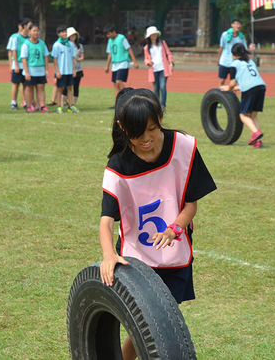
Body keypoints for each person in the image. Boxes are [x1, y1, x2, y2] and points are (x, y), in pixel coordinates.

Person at [99, 87, 216, 360]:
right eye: (137, 134)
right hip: (134, 256)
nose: (147, 139)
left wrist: (175, 228)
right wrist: (108, 255)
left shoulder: (183, 147)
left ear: (160, 117)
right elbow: (106, 221)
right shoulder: (118, 166)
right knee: (143, 320)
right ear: (122, 127)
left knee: (160, 317)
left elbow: (190, 204)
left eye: (152, 129)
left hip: (173, 250)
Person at [219, 43, 266, 148]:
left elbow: (232, 83)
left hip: (250, 89)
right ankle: (257, 141)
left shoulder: (234, 64)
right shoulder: (251, 61)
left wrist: (228, 88)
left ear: (233, 54)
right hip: (261, 87)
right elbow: (251, 78)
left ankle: (255, 133)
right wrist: (238, 87)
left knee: (243, 115)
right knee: (253, 116)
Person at [105, 24, 139, 106]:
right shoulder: (110, 41)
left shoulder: (121, 38)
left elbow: (129, 49)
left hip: (123, 63)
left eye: (109, 33)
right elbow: (110, 54)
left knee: (119, 81)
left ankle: (130, 97)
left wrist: (135, 62)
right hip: (115, 64)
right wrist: (107, 65)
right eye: (107, 34)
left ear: (114, 32)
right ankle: (117, 103)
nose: (108, 36)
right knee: (115, 85)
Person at [21, 24, 50, 113]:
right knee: (29, 88)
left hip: (40, 70)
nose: (36, 33)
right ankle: (29, 106)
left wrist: (46, 69)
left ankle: (41, 106)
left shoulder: (42, 43)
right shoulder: (26, 44)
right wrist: (27, 72)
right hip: (31, 70)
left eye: (37, 31)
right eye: (34, 31)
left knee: (41, 88)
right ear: (29, 32)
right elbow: (24, 59)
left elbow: (45, 56)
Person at [143, 26, 174, 111]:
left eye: (155, 34)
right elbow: (146, 59)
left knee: (163, 86)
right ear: (149, 36)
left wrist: (171, 63)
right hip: (153, 69)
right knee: (156, 89)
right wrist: (148, 62)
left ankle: (163, 105)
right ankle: (156, 105)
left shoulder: (162, 43)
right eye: (152, 34)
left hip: (163, 68)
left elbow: (168, 54)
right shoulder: (146, 47)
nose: (154, 35)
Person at [51, 25, 77, 113]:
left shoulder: (71, 44)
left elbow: (73, 58)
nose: (65, 33)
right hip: (61, 71)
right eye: (62, 32)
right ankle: (58, 106)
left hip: (69, 71)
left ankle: (71, 105)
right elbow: (54, 59)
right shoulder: (56, 45)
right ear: (58, 34)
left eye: (65, 31)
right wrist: (57, 71)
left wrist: (74, 70)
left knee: (70, 88)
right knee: (60, 89)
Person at [7, 18, 31, 110]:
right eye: (29, 25)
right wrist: (15, 65)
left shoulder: (29, 37)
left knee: (25, 84)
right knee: (16, 83)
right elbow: (13, 51)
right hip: (18, 63)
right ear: (25, 26)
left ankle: (25, 101)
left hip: (26, 64)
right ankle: (13, 102)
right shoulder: (16, 37)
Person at [217, 19, 247, 86]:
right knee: (222, 80)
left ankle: (233, 95)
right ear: (232, 25)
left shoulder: (241, 37)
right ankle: (220, 94)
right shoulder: (225, 35)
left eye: (239, 24)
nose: (238, 26)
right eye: (236, 24)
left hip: (235, 62)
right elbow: (221, 47)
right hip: (225, 61)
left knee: (233, 81)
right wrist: (218, 59)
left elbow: (244, 49)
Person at [62, 27, 84, 111]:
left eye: (74, 35)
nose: (73, 36)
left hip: (78, 68)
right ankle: (63, 103)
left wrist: (80, 59)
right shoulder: (65, 46)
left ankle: (73, 104)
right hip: (68, 69)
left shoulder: (79, 46)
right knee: (66, 87)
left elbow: (82, 56)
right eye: (71, 35)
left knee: (76, 87)